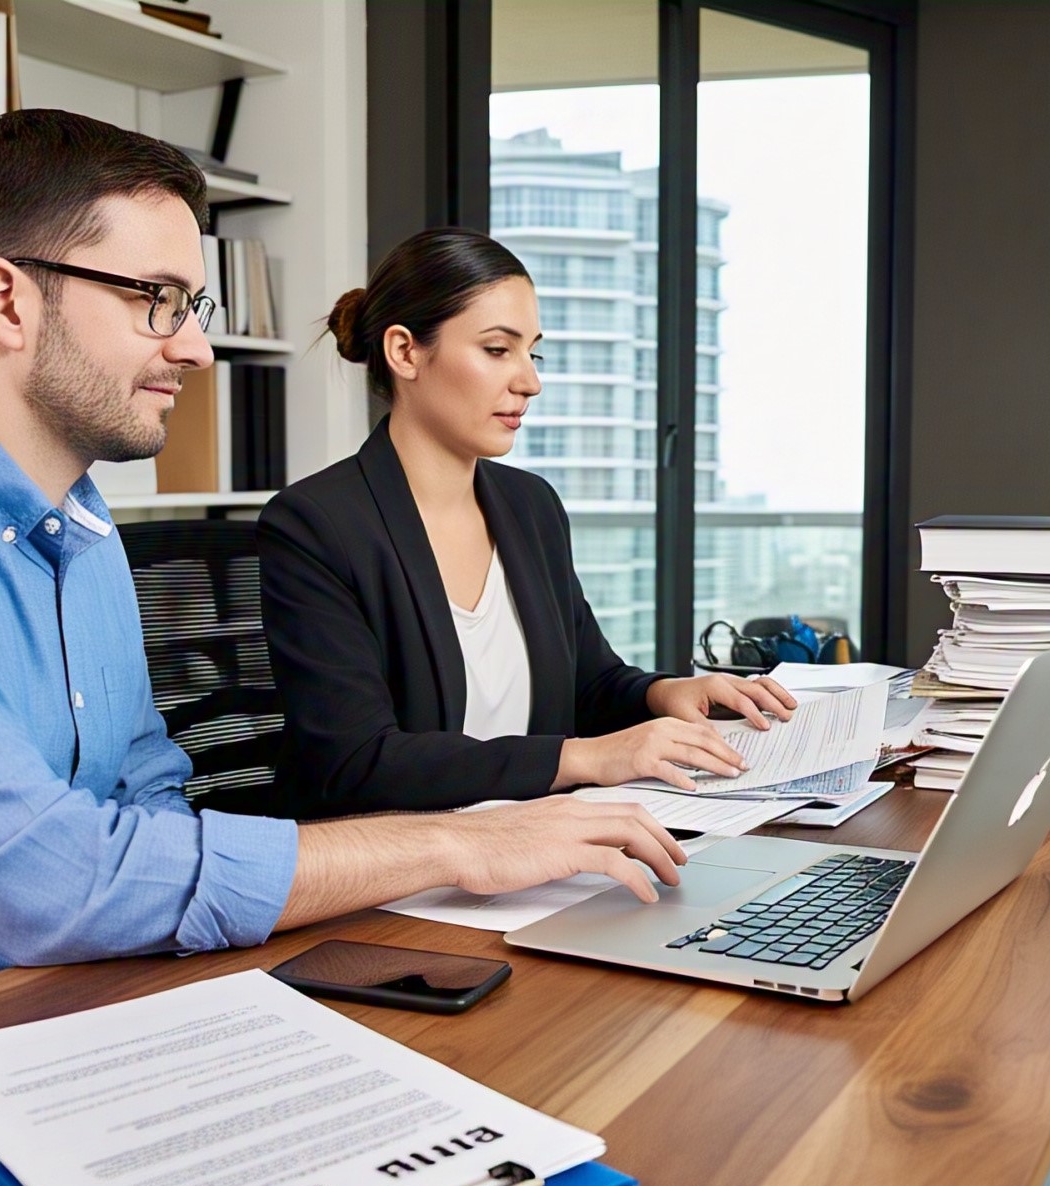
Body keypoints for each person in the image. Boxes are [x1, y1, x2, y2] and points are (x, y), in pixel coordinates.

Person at [0, 111, 686, 1008]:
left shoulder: (82, 526)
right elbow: (46, 877)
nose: (195, 346)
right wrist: (451, 844)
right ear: (8, 301)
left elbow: (149, 787)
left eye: (194, 307)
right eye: (155, 299)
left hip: (101, 994)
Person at [257, 228, 797, 817]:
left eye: (532, 353)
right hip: (401, 869)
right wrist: (584, 759)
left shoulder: (530, 505)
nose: (530, 382)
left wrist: (667, 693)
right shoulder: (315, 525)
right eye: (497, 350)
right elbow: (358, 761)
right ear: (405, 352)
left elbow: (588, 684)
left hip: (538, 850)